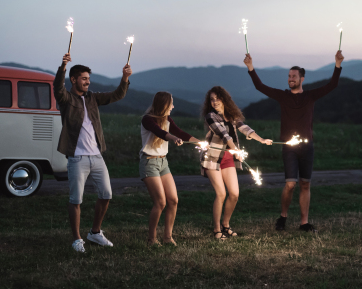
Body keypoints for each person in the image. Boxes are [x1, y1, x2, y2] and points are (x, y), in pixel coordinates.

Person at [243, 50, 344, 232]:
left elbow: (333, 84)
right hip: (288, 146)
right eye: (289, 76)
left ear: (301, 79)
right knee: (290, 184)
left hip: (307, 147)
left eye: (294, 76)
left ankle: (304, 223)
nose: (290, 79)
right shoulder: (283, 96)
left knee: (305, 183)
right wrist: (251, 68)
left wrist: (337, 65)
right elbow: (260, 86)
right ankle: (283, 217)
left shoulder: (310, 96)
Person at [54, 53, 132, 253]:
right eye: (84, 78)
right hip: (77, 158)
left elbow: (117, 95)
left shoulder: (93, 98)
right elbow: (58, 88)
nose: (88, 82)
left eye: (89, 78)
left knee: (106, 194)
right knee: (76, 199)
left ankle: (95, 233)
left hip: (97, 156)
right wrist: (63, 67)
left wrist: (124, 79)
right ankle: (76, 239)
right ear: (73, 80)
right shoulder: (66, 99)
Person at [200, 86, 273, 240]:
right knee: (221, 194)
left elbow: (245, 128)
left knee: (234, 194)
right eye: (212, 99)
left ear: (225, 99)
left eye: (218, 98)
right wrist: (237, 151)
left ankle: (226, 225)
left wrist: (262, 140)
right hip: (213, 158)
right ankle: (216, 230)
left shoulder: (231, 116)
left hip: (227, 159)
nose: (215, 102)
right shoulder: (210, 116)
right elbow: (224, 135)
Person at [140, 91, 202, 246]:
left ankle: (167, 237)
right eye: (171, 104)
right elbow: (159, 132)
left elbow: (180, 132)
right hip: (149, 162)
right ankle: (151, 239)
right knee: (160, 202)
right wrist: (174, 139)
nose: (173, 107)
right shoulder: (147, 119)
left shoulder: (167, 119)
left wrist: (199, 142)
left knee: (173, 200)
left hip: (163, 163)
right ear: (164, 105)